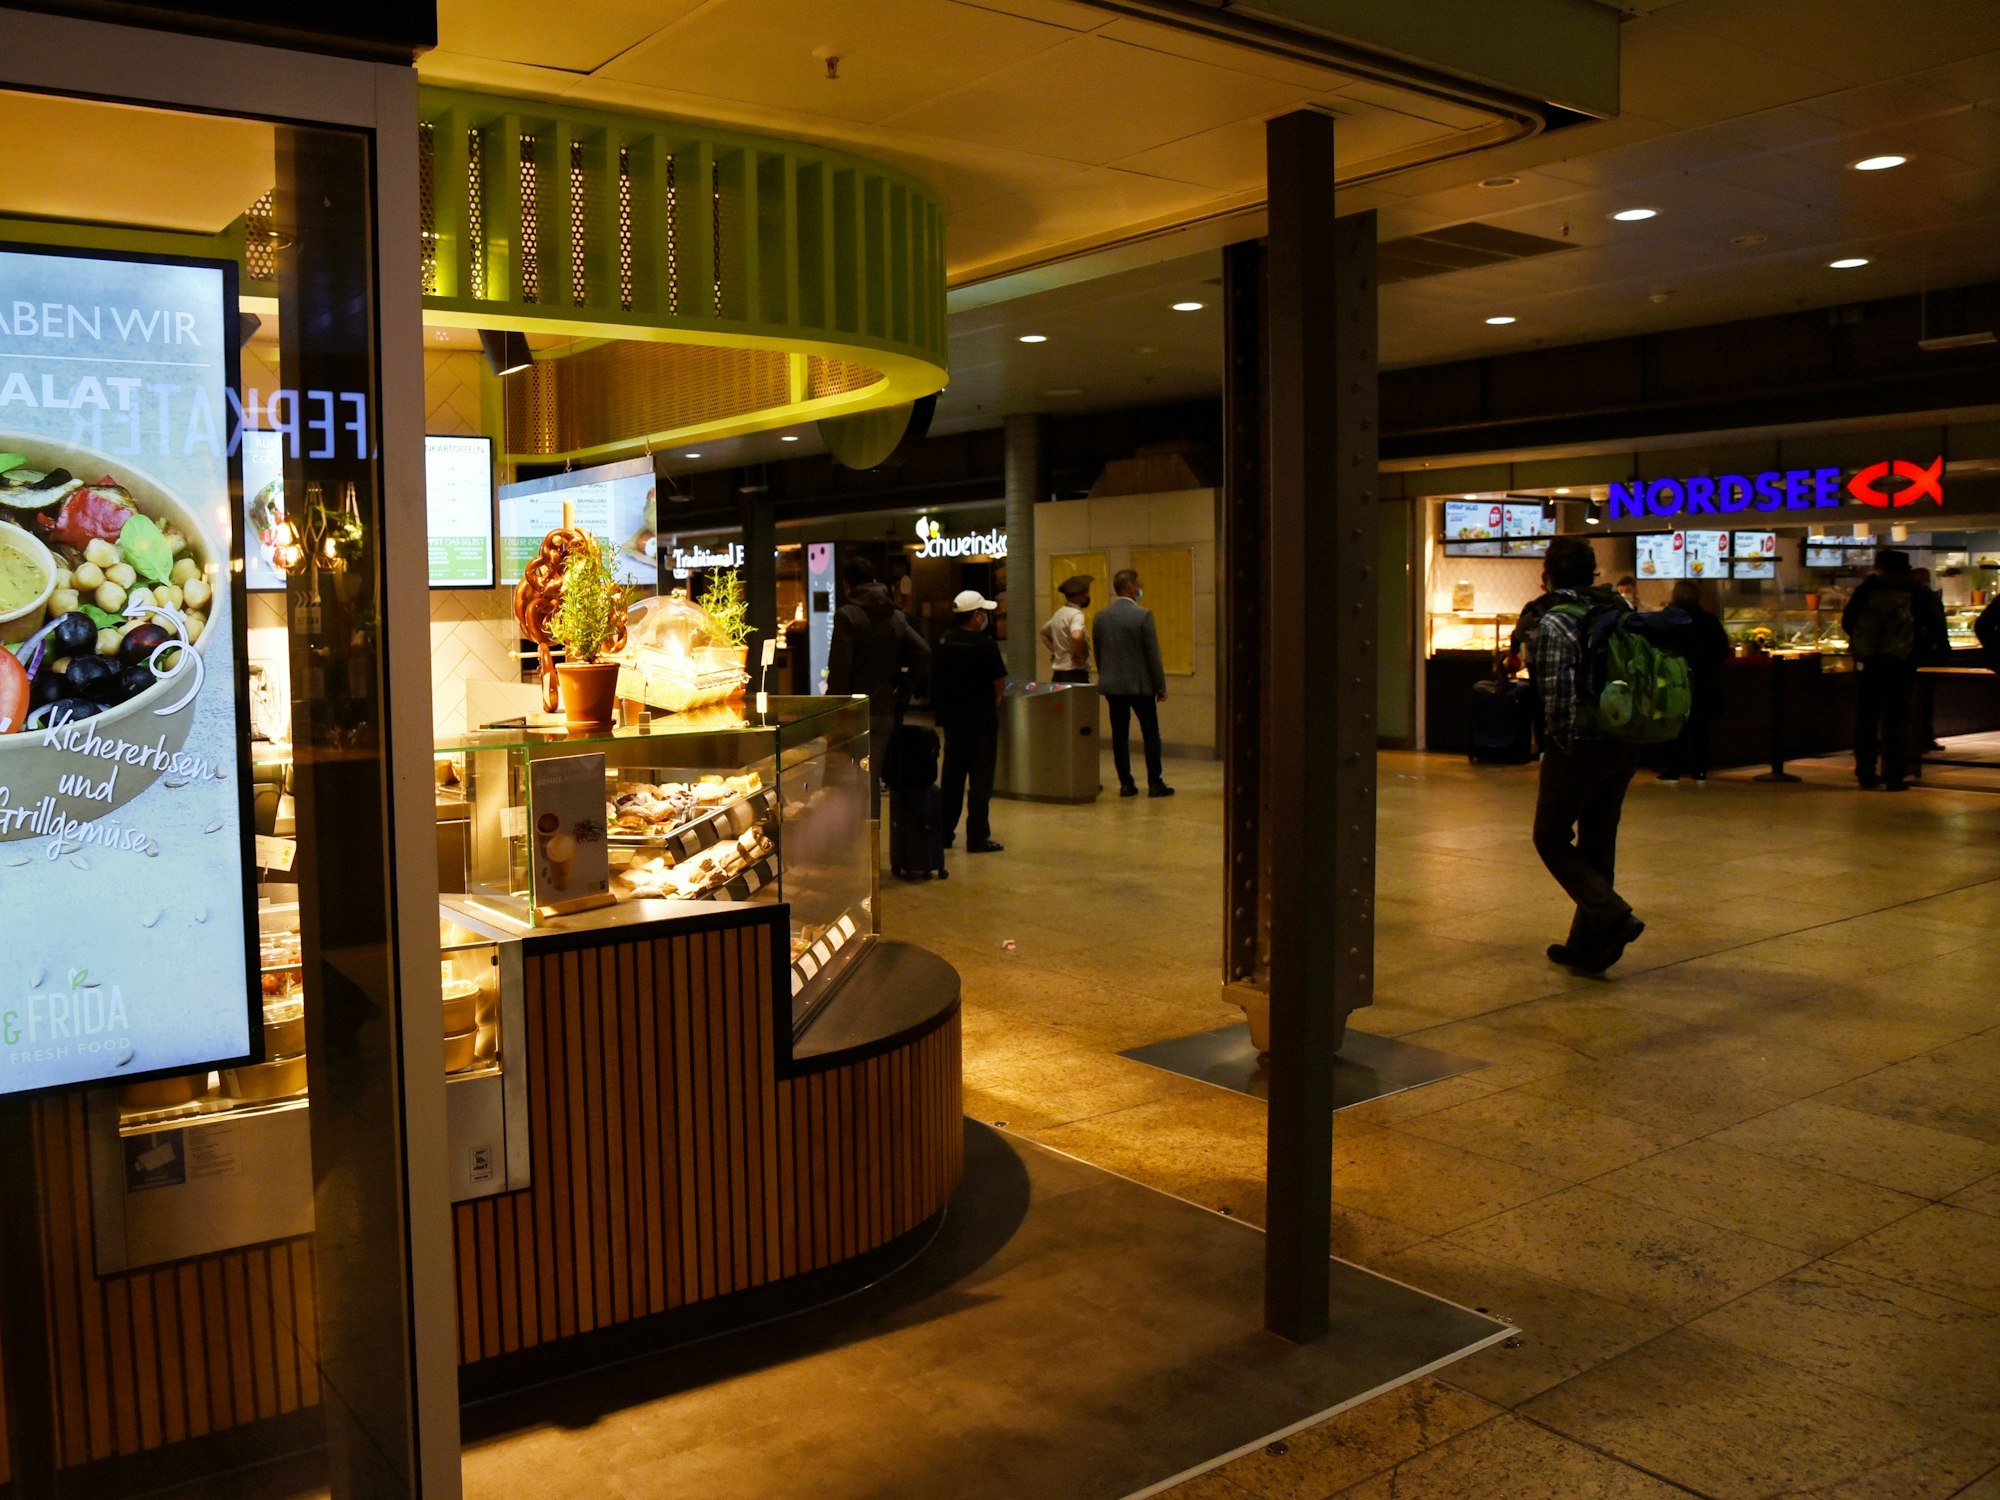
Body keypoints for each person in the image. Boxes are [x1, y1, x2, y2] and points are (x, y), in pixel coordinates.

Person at [1533, 536, 1644, 973]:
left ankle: (1612, 912)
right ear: (1592, 573)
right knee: (1599, 841)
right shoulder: (1620, 610)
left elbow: (1556, 698)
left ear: (1549, 576)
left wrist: (1557, 749)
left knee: (1550, 836)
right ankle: (1588, 949)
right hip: (1624, 741)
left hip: (1580, 745)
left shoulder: (1556, 623)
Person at [826, 557, 929, 814]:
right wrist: (901, 695)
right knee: (870, 778)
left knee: (840, 779)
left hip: (851, 712)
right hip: (883, 710)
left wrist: (832, 709)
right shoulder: (895, 616)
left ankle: (845, 844)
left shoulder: (847, 615)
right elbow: (923, 652)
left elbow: (840, 670)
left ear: (847, 584)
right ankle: (870, 842)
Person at [931, 589, 1008, 853]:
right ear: (975, 616)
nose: (985, 617)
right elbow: (999, 681)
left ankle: (943, 833)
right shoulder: (985, 645)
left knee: (952, 778)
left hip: (953, 722)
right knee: (980, 782)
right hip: (981, 722)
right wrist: (994, 703)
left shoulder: (943, 641)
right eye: (983, 613)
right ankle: (977, 837)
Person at [1842, 547, 1921, 791]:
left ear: (1879, 566)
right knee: (1896, 719)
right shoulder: (1914, 591)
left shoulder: (1865, 590)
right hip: (1900, 662)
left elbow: (1847, 622)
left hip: (1868, 663)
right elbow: (1929, 623)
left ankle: (1865, 773)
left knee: (1866, 718)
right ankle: (1894, 775)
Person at [1093, 569, 1173, 797]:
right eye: (1137, 585)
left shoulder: (1101, 616)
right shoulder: (1143, 616)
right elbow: (1152, 655)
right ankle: (1155, 783)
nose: (1139, 589)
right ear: (1130, 588)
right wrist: (1160, 686)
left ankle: (1126, 783)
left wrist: (1107, 675)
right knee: (1150, 732)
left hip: (1113, 687)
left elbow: (1099, 652)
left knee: (1119, 734)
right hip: (1140, 686)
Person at [1659, 578, 1730, 782]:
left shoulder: (1667, 620)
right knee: (1701, 729)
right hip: (1704, 683)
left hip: (1673, 682)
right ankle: (1699, 770)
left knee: (1674, 727)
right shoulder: (1709, 621)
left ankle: (1673, 770)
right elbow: (1722, 650)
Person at [1910, 566, 1951, 753]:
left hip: (1915, 656)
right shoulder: (1930, 599)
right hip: (1927, 656)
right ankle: (1923, 737)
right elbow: (1939, 626)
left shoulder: (1916, 598)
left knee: (1919, 700)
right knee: (1924, 700)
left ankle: (1919, 738)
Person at [1040, 575, 1093, 684]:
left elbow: (1043, 633)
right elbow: (1077, 636)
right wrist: (1081, 655)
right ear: (1080, 595)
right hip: (1074, 674)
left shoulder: (1059, 614)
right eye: (1086, 593)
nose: (1087, 596)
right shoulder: (1076, 614)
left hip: (1058, 674)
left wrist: (1055, 651)